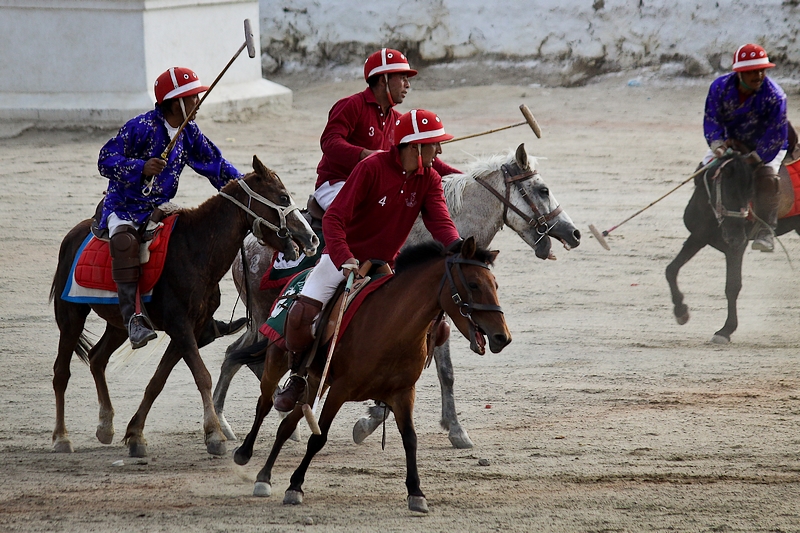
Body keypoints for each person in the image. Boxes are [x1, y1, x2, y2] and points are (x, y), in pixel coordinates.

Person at [273, 109, 462, 412]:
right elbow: (334, 217)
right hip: (344, 256)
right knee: (301, 315)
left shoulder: (429, 179)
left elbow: (440, 221)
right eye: (434, 144)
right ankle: (298, 376)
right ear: (414, 146)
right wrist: (343, 256)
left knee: (436, 328)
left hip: (386, 263)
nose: (438, 151)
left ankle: (386, 377)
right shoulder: (371, 167)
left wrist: (457, 246)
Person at [97, 66, 243, 348]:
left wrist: (244, 187)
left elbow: (215, 164)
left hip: (159, 207)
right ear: (176, 102)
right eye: (192, 98)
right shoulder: (139, 127)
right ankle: (133, 320)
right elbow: (105, 159)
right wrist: (141, 167)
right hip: (124, 207)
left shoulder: (189, 132)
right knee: (126, 242)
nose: (198, 103)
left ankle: (204, 318)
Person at [312, 48, 461, 211]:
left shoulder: (398, 120)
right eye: (403, 78)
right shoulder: (352, 105)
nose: (408, 85)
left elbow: (423, 157)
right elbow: (329, 142)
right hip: (337, 183)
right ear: (383, 80)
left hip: (372, 188)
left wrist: (463, 178)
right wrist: (364, 154)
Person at [703, 43, 788, 252]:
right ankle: (709, 219)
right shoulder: (719, 88)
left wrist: (756, 157)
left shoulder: (775, 96)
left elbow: (776, 134)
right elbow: (712, 119)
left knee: (767, 178)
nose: (758, 75)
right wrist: (717, 144)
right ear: (739, 73)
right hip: (731, 141)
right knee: (703, 172)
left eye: (761, 70)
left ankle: (765, 231)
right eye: (751, 71)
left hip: (768, 145)